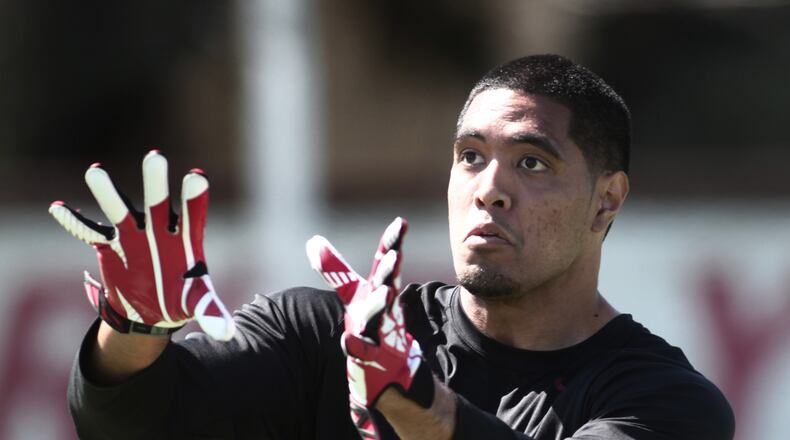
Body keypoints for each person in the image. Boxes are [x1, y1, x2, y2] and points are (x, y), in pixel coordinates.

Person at [51, 54, 735, 439]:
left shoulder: (666, 402)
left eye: (531, 162)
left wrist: (421, 408)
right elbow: (135, 425)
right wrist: (131, 330)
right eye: (471, 157)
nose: (489, 190)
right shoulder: (326, 337)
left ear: (607, 200)